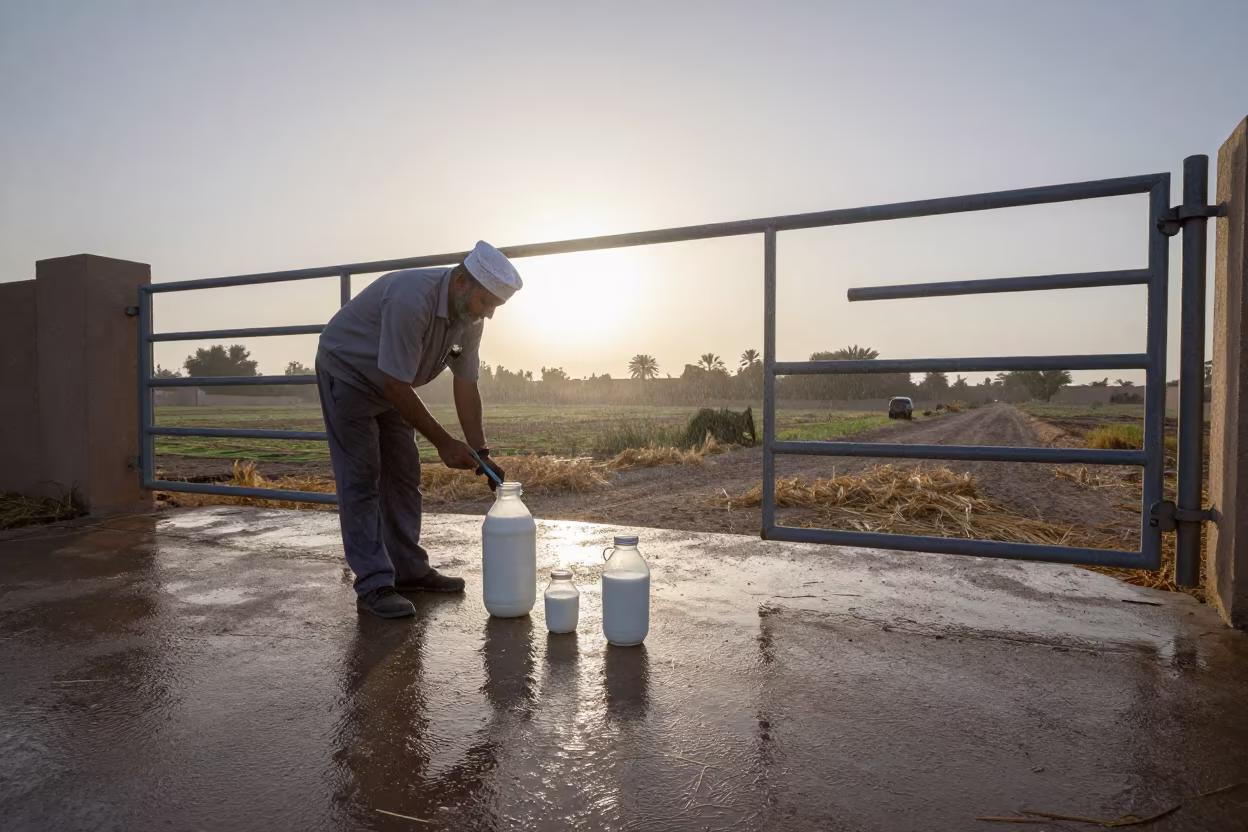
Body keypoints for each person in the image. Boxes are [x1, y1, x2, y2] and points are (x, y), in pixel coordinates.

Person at [316, 240, 517, 618]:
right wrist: (443, 442)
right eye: (487, 303)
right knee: (362, 478)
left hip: (393, 384)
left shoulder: (468, 320)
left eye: (495, 307)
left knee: (405, 474)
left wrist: (482, 453)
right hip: (350, 375)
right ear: (462, 283)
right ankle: (374, 583)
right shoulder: (412, 299)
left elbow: (466, 383)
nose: (489, 314)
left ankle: (408, 571)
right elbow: (394, 383)